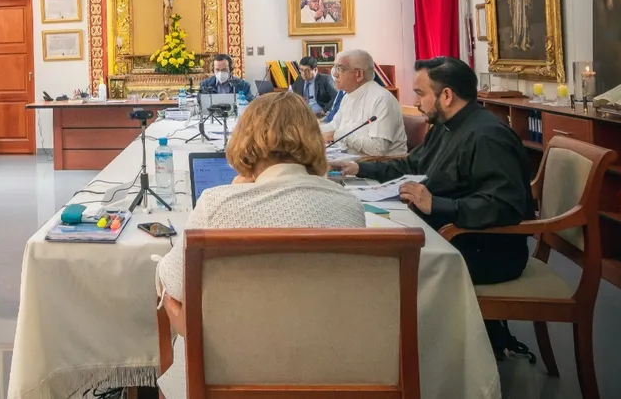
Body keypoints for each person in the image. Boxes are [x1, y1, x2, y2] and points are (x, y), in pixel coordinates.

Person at [155, 92, 365, 399]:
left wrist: (231, 192)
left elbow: (172, 282)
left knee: (170, 291)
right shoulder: (350, 206)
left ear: (245, 140)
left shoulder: (218, 205)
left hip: (231, 376)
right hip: (326, 373)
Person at [333, 57, 536, 358]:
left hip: (485, 248)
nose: (415, 102)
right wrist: (360, 169)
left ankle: (418, 358)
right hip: (450, 232)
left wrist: (435, 204)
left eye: (420, 93)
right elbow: (413, 165)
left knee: (381, 266)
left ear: (447, 95)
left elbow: (505, 205)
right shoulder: (445, 125)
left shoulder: (488, 136)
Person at [321, 49, 406, 157]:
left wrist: (337, 135)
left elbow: (378, 148)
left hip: (378, 164)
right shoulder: (347, 97)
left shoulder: (381, 99)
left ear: (358, 74)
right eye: (335, 68)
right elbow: (334, 126)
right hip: (351, 159)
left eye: (340, 69)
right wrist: (308, 129)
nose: (334, 74)